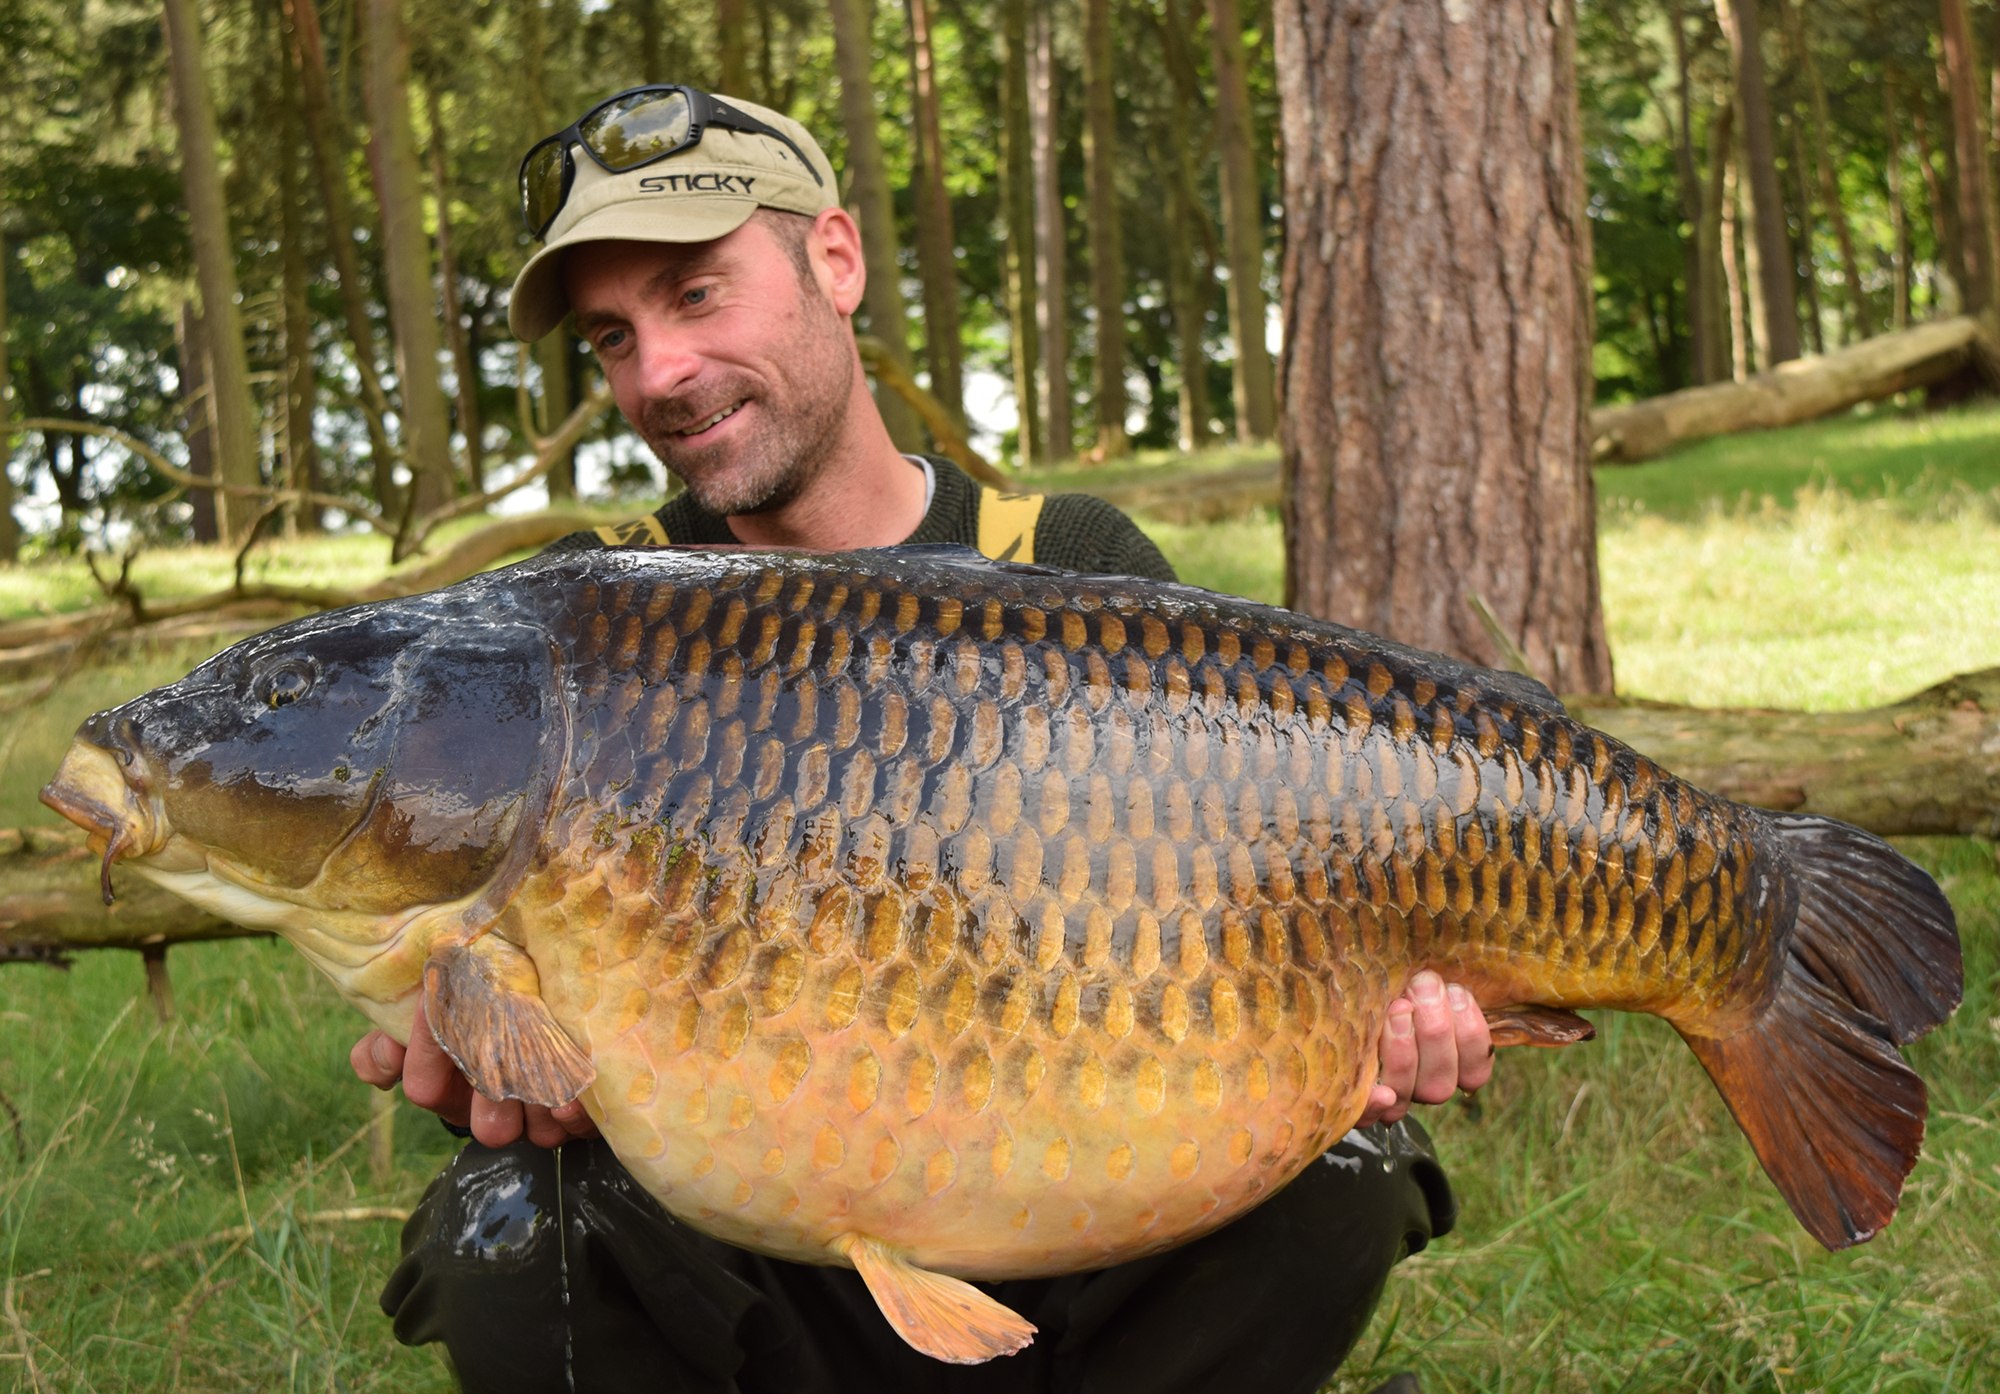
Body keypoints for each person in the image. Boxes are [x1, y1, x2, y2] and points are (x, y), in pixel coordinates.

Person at [349, 84, 1496, 1394]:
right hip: (758, 1264)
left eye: (697, 294)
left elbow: (1255, 891)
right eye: (614, 335)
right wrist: (490, 1055)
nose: (658, 371)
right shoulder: (581, 621)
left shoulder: (1072, 562)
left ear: (833, 259)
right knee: (505, 1221)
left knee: (1347, 1164)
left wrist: (1385, 1004)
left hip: (1079, 1228)